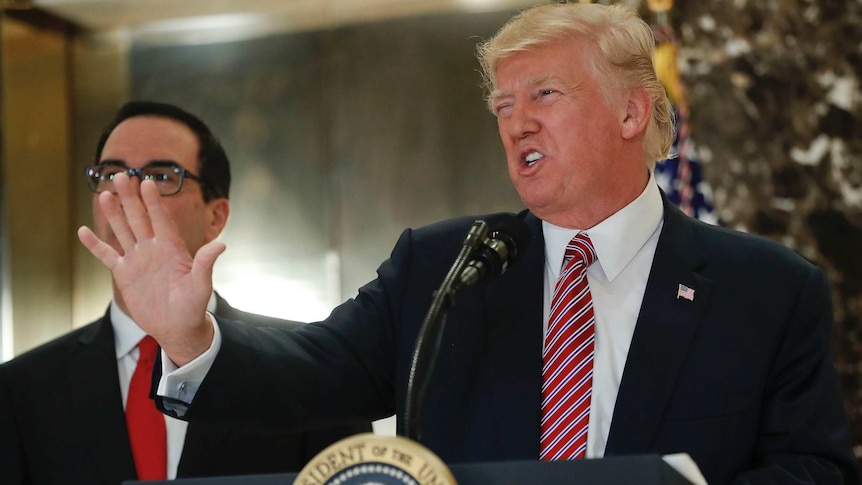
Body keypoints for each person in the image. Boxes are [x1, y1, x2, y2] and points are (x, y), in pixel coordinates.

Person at [75, 4, 858, 484]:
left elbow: (815, 469)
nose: (516, 122)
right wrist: (190, 334)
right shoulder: (446, 265)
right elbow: (316, 373)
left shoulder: (766, 287)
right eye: (502, 104)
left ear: (631, 112)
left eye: (544, 95)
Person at [0, 101, 370, 484]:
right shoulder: (21, 391)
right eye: (110, 174)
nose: (129, 194)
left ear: (216, 216)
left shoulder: (312, 367)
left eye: (160, 176)